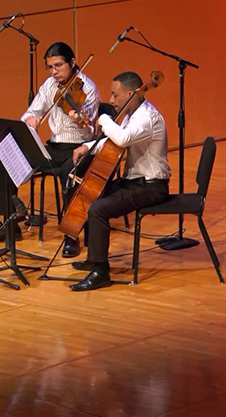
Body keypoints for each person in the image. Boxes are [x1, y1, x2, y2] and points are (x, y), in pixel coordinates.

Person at [0, 42, 99, 257]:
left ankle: (72, 235)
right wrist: (31, 120)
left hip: (80, 149)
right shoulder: (49, 85)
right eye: (50, 67)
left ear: (72, 62)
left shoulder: (87, 88)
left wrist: (80, 121)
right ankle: (10, 223)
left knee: (68, 174)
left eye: (59, 66)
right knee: (5, 162)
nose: (54, 72)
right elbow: (32, 111)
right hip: (54, 148)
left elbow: (90, 127)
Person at [68, 71, 171, 291]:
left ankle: (101, 272)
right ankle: (94, 259)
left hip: (151, 187)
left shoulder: (146, 117)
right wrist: (87, 147)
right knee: (93, 193)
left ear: (132, 94)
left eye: (115, 95)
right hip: (135, 182)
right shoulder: (130, 115)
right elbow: (114, 139)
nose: (112, 100)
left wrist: (103, 118)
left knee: (98, 209)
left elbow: (122, 139)